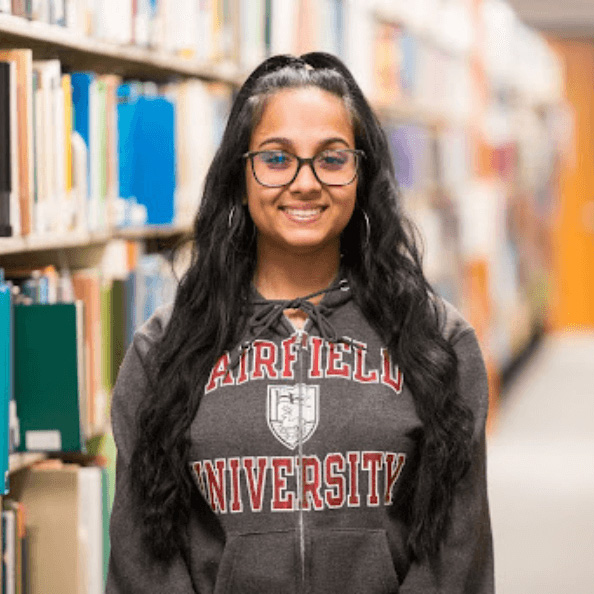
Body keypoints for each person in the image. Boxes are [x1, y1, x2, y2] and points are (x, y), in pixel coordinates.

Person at [106, 53, 494, 593]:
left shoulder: (437, 343)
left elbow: (457, 556)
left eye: (332, 159)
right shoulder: (163, 350)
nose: (306, 182)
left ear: (363, 173)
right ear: (240, 173)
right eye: (277, 158)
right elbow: (143, 557)